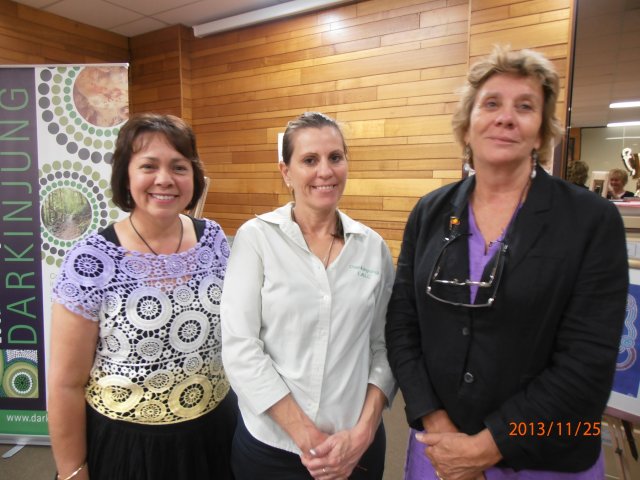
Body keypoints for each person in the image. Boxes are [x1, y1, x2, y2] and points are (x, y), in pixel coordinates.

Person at [385, 46, 628, 480]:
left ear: (540, 132)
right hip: (438, 452)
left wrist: (485, 447)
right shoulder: (429, 213)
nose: (506, 117)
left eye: (525, 106)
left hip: (543, 459)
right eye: (491, 103)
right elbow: (402, 325)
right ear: (467, 124)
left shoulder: (591, 221)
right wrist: (437, 426)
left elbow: (586, 364)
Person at [47, 113, 237, 480]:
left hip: (215, 434)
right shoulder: (91, 260)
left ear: (193, 176)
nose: (165, 179)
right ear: (126, 175)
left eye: (179, 166)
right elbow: (65, 383)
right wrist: (72, 472)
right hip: (130, 449)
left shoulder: (213, 239)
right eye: (149, 166)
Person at [220, 112, 396, 480]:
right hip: (273, 450)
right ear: (286, 171)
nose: (325, 171)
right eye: (310, 160)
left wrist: (363, 432)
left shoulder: (372, 248)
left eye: (335, 157)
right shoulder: (257, 239)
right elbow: (240, 347)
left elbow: (385, 347)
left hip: (356, 447)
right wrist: (308, 437)